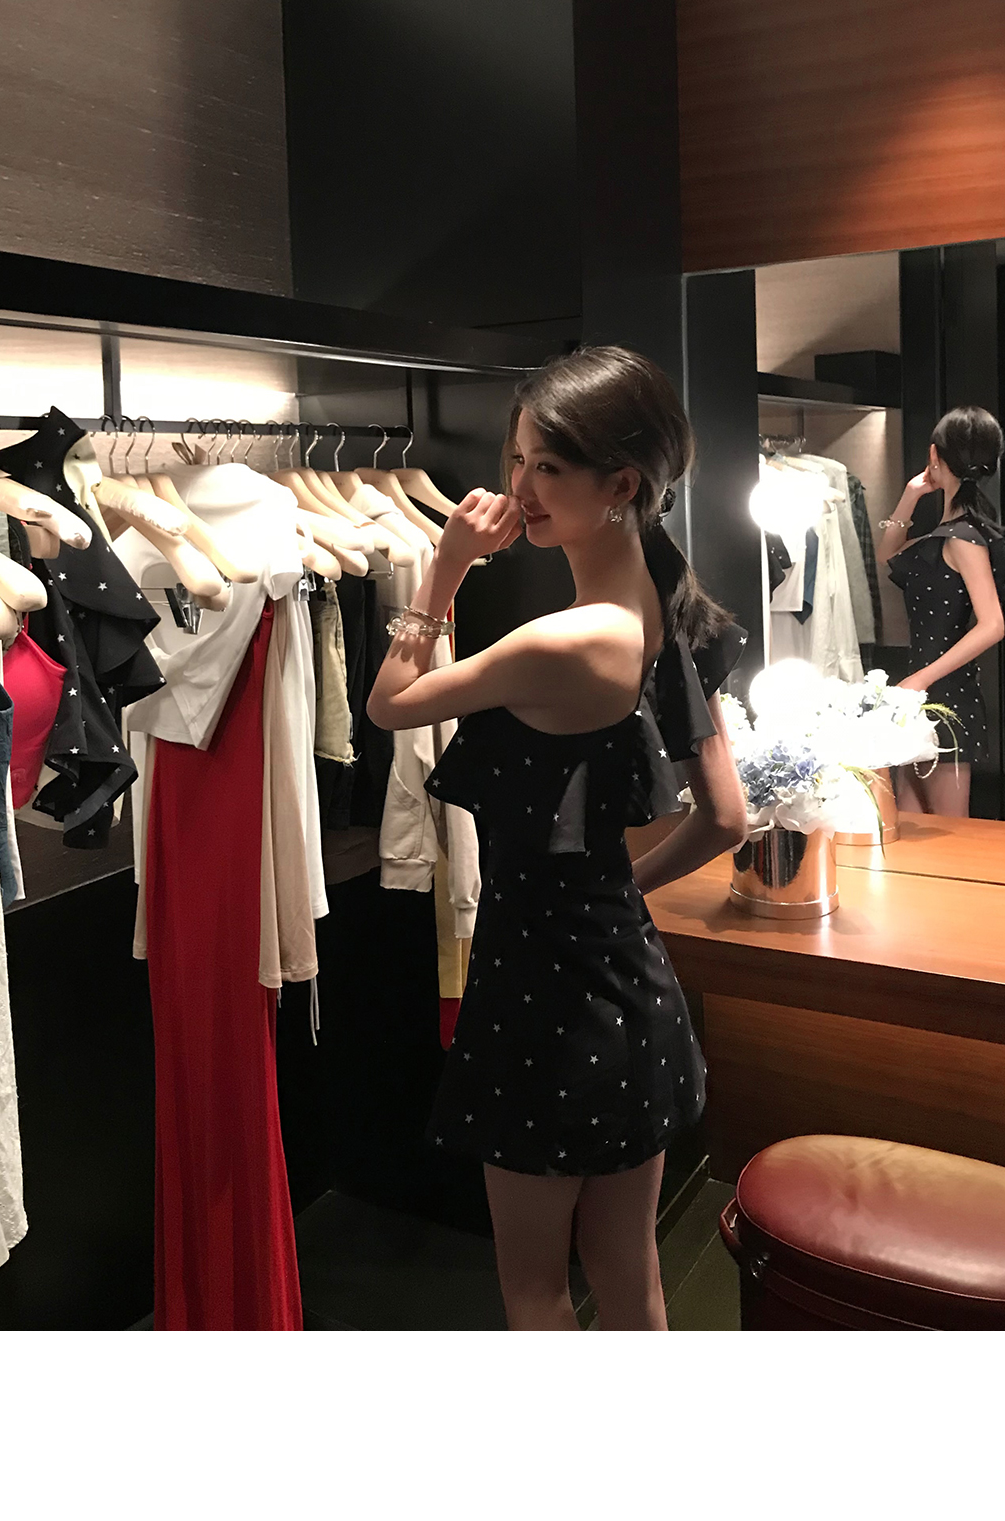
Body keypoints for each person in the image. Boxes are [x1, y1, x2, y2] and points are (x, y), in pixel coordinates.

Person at [367, 345, 748, 1331]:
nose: (519, 489)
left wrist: (446, 565)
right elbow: (727, 816)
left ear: (620, 485)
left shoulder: (562, 641)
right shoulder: (662, 606)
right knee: (631, 1275)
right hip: (628, 988)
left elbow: (390, 702)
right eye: (517, 461)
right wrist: (619, 891)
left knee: (535, 1289)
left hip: (544, 1002)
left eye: (548, 467)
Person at [876, 405, 1005, 819]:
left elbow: (992, 625)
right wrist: (910, 494)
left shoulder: (963, 538)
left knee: (950, 836)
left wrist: (920, 679)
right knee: (911, 826)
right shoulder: (950, 533)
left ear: (934, 455)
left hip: (947, 697)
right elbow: (887, 555)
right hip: (924, 693)